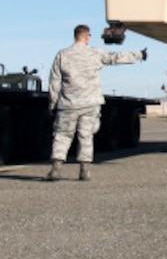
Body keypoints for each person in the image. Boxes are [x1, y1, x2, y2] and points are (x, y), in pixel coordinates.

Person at [46, 24, 146, 181]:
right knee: (86, 136)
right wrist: (139, 54)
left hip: (68, 103)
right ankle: (84, 171)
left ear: (75, 36)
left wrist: (53, 104)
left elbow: (54, 82)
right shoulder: (94, 53)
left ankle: (56, 169)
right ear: (87, 37)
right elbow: (115, 58)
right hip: (91, 103)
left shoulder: (62, 55)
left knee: (62, 135)